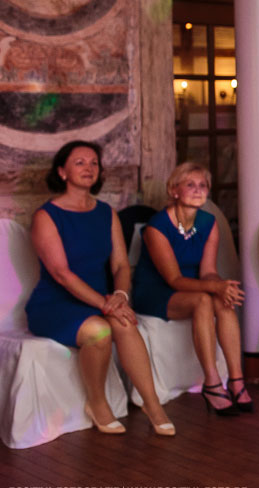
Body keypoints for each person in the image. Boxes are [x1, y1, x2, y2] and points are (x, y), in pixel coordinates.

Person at [25, 141, 175, 436]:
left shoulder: (106, 213)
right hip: (54, 304)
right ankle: (97, 402)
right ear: (62, 172)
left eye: (94, 163)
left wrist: (120, 297)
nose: (89, 168)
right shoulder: (46, 216)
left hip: (102, 299)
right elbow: (61, 273)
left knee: (126, 323)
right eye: (79, 162)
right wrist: (106, 304)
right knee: (100, 330)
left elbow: (120, 265)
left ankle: (152, 403)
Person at [131, 162, 252, 415]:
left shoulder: (208, 222)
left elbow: (207, 270)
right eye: (190, 185)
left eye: (203, 185)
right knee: (204, 301)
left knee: (223, 301)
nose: (198, 190)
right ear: (174, 191)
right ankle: (211, 382)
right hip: (157, 291)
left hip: (195, 285)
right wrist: (214, 287)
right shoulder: (157, 227)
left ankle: (237, 380)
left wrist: (221, 287)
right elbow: (174, 280)